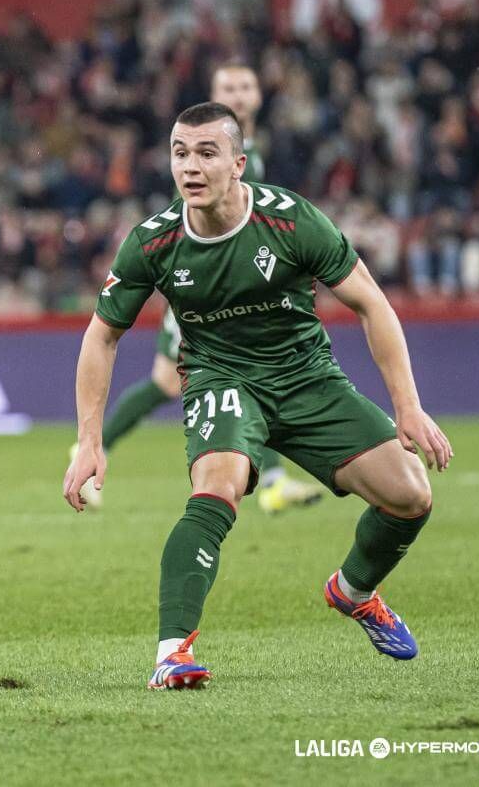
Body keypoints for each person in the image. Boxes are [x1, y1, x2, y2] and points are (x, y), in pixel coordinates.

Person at [63, 102, 452, 690]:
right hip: (222, 379)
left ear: (239, 164)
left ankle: (354, 592)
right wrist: (89, 440)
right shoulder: (153, 242)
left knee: (411, 496)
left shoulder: (291, 221)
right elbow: (101, 336)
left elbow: (373, 303)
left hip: (307, 379)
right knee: (217, 487)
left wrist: (408, 407)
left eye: (206, 153)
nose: (190, 167)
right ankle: (172, 653)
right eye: (179, 153)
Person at [84, 65, 322, 513]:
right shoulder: (205, 147)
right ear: (214, 95)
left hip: (240, 285)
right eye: (229, 87)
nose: (240, 93)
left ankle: (270, 479)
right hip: (203, 287)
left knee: (194, 377)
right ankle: (93, 450)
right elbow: (193, 216)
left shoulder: (254, 150)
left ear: (259, 95)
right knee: (178, 379)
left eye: (247, 85)